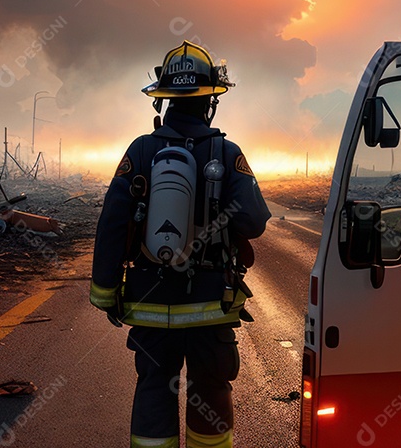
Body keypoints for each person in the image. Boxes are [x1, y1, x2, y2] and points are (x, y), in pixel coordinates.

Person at [91, 41, 271, 448]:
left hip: (150, 302)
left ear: (164, 100)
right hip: (211, 308)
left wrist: (105, 293)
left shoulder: (139, 151)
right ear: (209, 101)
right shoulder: (226, 153)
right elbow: (255, 222)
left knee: (155, 388)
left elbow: (113, 224)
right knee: (209, 389)